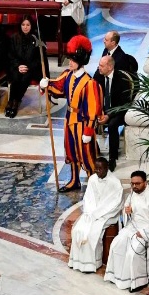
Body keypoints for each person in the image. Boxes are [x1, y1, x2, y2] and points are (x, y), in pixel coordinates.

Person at [40, 35, 103, 192]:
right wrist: (47, 84)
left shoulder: (90, 83)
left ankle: (94, 183)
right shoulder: (68, 75)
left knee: (87, 154)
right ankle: (74, 180)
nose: (70, 62)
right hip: (69, 120)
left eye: (73, 59)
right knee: (72, 151)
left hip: (83, 122)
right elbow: (58, 87)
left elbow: (93, 109)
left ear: (80, 60)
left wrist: (89, 130)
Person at [104, 170, 149, 291]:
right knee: (116, 245)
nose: (134, 186)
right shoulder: (133, 193)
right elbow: (127, 208)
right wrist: (127, 211)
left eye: (137, 183)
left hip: (147, 231)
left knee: (133, 252)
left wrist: (143, 233)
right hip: (132, 226)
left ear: (145, 183)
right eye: (132, 183)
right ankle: (116, 276)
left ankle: (139, 282)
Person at [68, 157, 122, 273]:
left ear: (107, 168)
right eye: (96, 169)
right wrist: (89, 212)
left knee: (92, 233)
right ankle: (77, 262)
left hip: (106, 215)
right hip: (91, 213)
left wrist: (97, 214)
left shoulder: (115, 183)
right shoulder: (92, 179)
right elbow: (88, 198)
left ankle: (92, 264)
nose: (97, 171)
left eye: (100, 169)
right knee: (78, 230)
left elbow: (115, 203)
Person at [94, 54, 132, 170]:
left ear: (109, 67)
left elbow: (124, 103)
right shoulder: (98, 76)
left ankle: (112, 157)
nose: (98, 67)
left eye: (101, 65)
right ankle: (94, 149)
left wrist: (109, 115)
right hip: (103, 109)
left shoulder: (122, 79)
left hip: (118, 111)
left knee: (112, 124)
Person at [4, 15, 42, 118]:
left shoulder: (37, 39)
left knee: (25, 78)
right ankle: (12, 100)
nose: (25, 27)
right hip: (16, 66)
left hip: (31, 68)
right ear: (20, 25)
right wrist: (18, 66)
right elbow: (10, 55)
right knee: (16, 76)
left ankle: (15, 101)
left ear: (31, 26)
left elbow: (38, 59)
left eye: (28, 25)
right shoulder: (14, 38)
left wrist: (27, 67)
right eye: (23, 24)